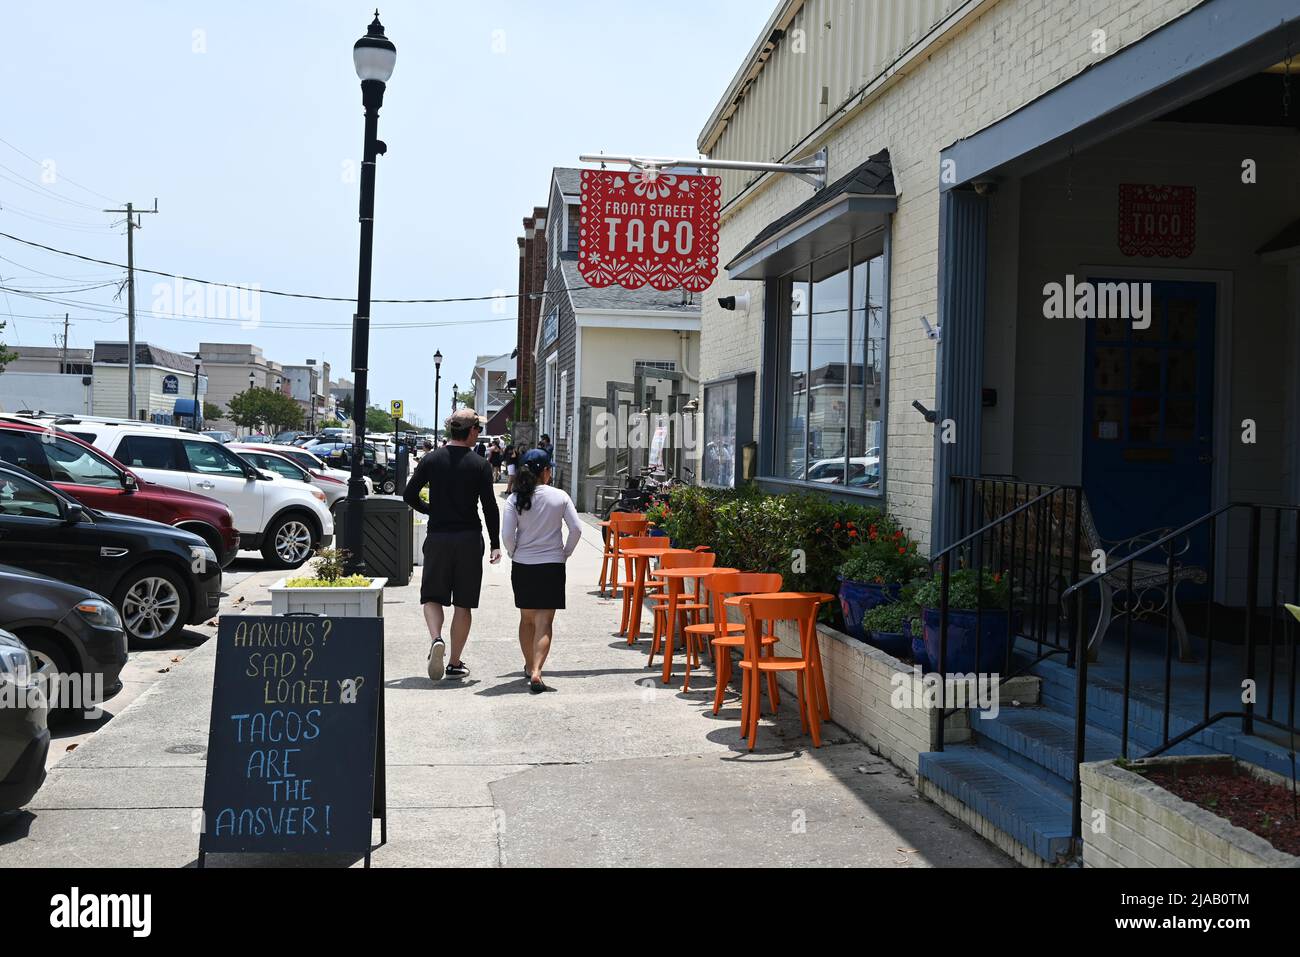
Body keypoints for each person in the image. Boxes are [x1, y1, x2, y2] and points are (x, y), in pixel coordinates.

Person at [403, 408, 501, 681]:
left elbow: (409, 495)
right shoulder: (480, 464)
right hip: (469, 538)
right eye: (478, 430)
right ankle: (455, 662)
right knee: (463, 603)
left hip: (438, 537)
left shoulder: (432, 459)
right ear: (471, 432)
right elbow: (490, 506)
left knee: (432, 596)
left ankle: (436, 639)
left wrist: (430, 509)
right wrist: (495, 543)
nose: (478, 435)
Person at [502, 448, 581, 693]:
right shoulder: (560, 496)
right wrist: (564, 553)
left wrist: (514, 551)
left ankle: (527, 665)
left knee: (526, 621)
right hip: (552, 565)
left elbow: (506, 535)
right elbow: (577, 529)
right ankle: (537, 671)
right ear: (546, 471)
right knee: (544, 622)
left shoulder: (514, 499)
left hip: (524, 565)